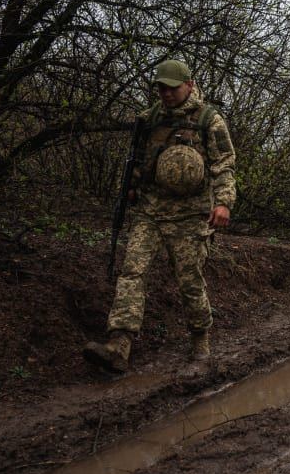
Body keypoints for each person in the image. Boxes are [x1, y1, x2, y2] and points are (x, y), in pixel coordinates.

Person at [83, 59, 236, 372]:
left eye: (172, 87)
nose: (165, 94)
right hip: (151, 210)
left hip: (192, 214)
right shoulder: (149, 119)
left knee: (189, 279)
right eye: (161, 88)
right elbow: (137, 160)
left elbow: (224, 165)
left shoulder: (210, 119)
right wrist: (132, 187)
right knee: (132, 272)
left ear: (189, 85)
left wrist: (223, 203)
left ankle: (199, 337)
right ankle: (119, 344)